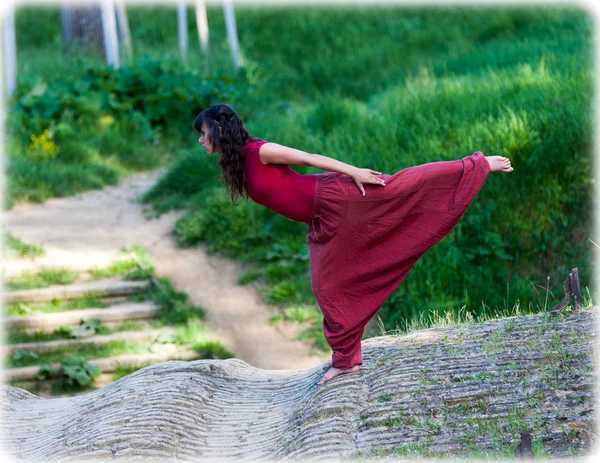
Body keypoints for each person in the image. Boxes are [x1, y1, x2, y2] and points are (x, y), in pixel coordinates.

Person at [193, 103, 513, 386]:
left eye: (203, 132)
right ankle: (347, 360)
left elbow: (310, 158)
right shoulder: (236, 162)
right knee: (328, 286)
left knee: (401, 186)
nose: (200, 139)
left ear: (218, 130)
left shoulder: (258, 151)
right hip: (321, 220)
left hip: (335, 198)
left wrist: (354, 172)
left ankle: (477, 165)